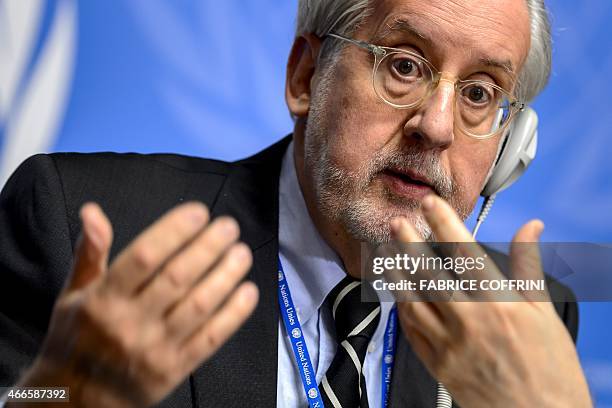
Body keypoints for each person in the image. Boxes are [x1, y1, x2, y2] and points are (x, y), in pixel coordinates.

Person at [0, 0, 593, 407]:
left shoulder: (523, 324)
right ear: (306, 76)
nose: (436, 127)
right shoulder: (80, 225)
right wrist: (57, 392)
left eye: (479, 95)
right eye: (405, 65)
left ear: (510, 145)